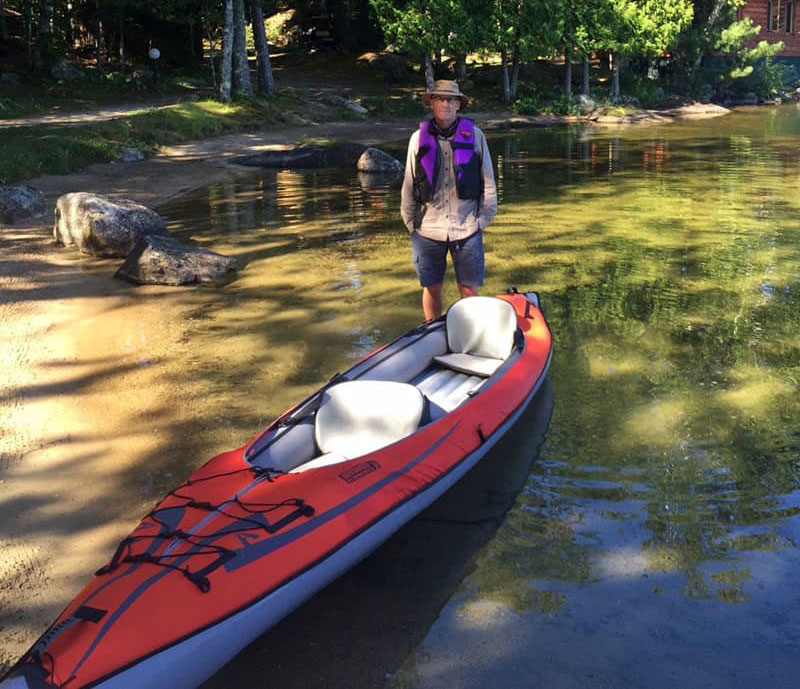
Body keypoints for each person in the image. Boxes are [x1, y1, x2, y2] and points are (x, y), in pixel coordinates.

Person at [401, 79, 497, 321]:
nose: (445, 103)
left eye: (450, 99)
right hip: (427, 229)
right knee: (431, 287)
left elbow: (488, 181)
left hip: (467, 227)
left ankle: (469, 333)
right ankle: (431, 329)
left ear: (458, 105)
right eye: (440, 99)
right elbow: (409, 184)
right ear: (432, 103)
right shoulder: (417, 139)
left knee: (469, 289)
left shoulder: (475, 136)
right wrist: (412, 224)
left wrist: (483, 220)